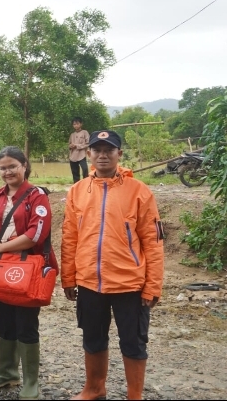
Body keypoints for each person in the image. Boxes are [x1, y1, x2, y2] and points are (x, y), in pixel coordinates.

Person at [61, 130, 164, 401]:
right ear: (88, 154)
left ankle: (134, 395)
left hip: (129, 283)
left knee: (133, 342)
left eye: (109, 150)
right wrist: (68, 277)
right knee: (93, 338)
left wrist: (153, 285)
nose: (103, 155)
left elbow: (153, 242)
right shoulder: (77, 191)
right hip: (89, 281)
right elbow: (70, 237)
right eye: (97, 150)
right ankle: (94, 389)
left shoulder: (139, 191)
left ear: (119, 154)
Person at [0, 146, 54, 400]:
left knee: (26, 323)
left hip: (26, 268)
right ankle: (8, 371)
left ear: (24, 166)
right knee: (4, 319)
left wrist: (2, 246)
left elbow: (35, 234)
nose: (7, 172)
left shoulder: (36, 196)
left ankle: (31, 381)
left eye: (12, 166)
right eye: (3, 168)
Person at [69, 117, 90, 183]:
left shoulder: (85, 132)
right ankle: (76, 186)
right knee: (75, 173)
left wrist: (77, 146)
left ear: (81, 124)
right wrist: (71, 146)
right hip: (73, 156)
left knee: (85, 169)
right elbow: (69, 145)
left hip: (81, 155)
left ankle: (85, 184)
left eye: (77, 124)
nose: (76, 125)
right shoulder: (72, 135)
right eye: (74, 124)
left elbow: (88, 143)